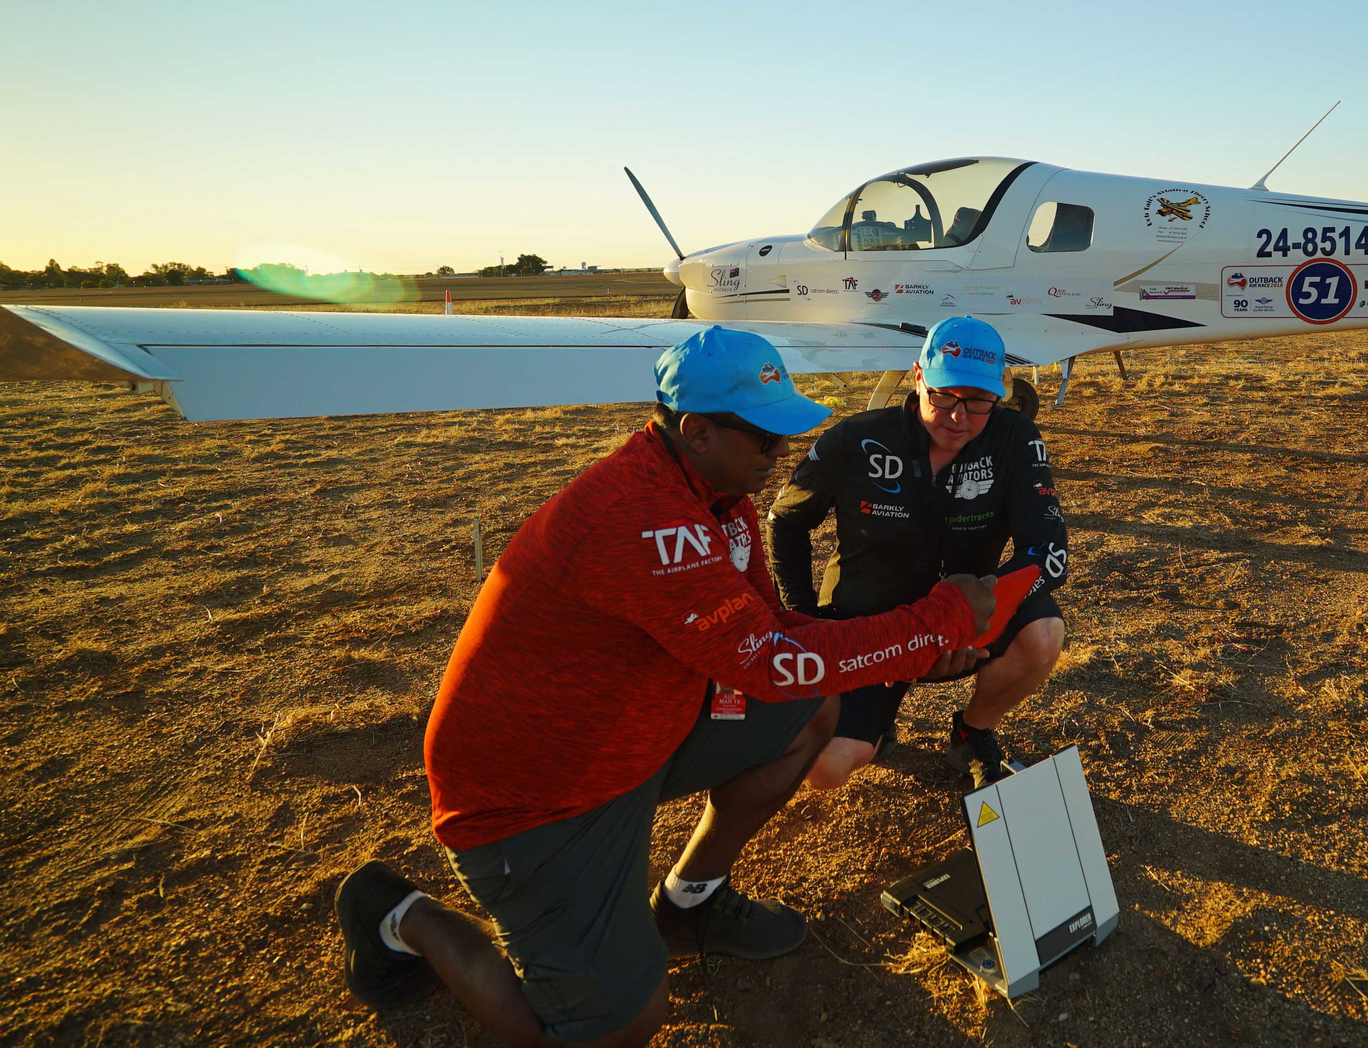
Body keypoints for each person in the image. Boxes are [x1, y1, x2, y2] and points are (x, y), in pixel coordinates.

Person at [332, 327, 1033, 1046]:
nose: (779, 454)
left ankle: (689, 902)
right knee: (621, 1024)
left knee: (808, 709)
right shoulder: (644, 518)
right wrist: (931, 621)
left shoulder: (715, 495)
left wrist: (916, 648)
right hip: (538, 794)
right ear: (696, 431)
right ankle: (401, 914)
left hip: (623, 731)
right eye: (764, 439)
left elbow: (769, 635)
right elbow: (769, 657)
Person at [769, 316, 1069, 791]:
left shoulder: (1015, 437)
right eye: (944, 396)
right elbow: (785, 521)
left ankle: (973, 731)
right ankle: (875, 724)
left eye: (977, 401)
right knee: (824, 770)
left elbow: (1048, 551)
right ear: (917, 378)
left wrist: (971, 616)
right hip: (867, 628)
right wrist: (806, 621)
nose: (958, 415)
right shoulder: (858, 438)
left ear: (999, 394)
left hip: (963, 626)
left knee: (1045, 631)